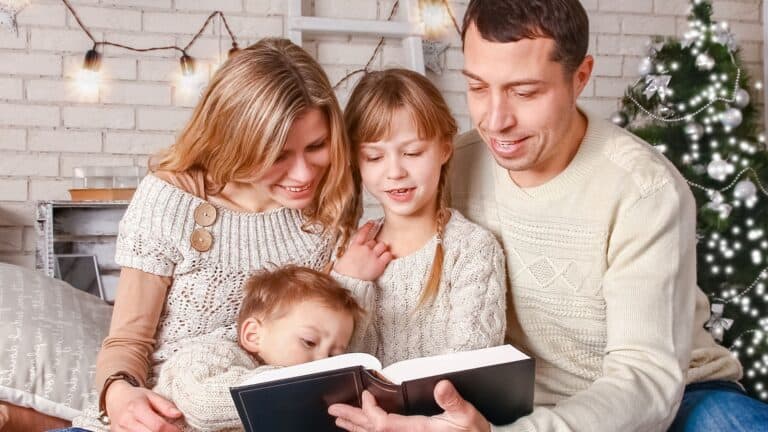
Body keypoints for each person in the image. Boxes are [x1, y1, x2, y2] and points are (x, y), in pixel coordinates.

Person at [329, 1, 768, 431]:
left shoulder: (643, 191)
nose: (496, 121)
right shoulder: (453, 164)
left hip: (675, 397)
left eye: (524, 92)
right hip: (514, 404)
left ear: (580, 78)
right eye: (478, 87)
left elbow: (646, 382)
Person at [66, 37, 380, 432]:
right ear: (237, 142)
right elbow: (128, 341)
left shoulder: (328, 212)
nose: (303, 174)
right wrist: (121, 396)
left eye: (316, 146)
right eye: (279, 155)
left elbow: (331, 349)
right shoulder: (171, 199)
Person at [332, 68, 507, 367]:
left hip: (438, 412)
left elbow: (470, 363)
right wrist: (349, 281)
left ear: (444, 150)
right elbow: (326, 362)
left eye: (412, 153)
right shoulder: (347, 249)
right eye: (374, 157)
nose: (395, 171)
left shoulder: (471, 249)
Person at [154, 265, 362, 432]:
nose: (322, 361)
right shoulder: (208, 355)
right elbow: (201, 403)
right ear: (253, 335)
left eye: (334, 355)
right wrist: (291, 385)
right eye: (308, 342)